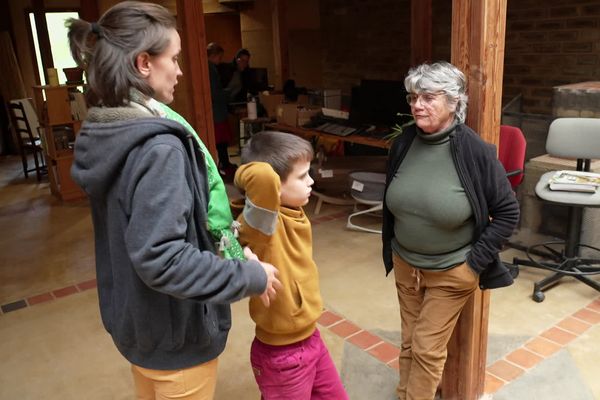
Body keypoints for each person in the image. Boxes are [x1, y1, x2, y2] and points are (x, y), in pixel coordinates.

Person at [66, 3, 281, 399]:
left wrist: (232, 252)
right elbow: (162, 258)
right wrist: (248, 277)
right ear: (143, 62)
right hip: (176, 338)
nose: (181, 70)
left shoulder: (108, 127)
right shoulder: (158, 147)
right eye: (175, 58)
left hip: (140, 327)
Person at [381, 61, 519, 400]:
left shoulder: (475, 151)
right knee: (410, 340)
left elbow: (507, 211)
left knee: (427, 348)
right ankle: (405, 393)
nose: (417, 105)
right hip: (405, 265)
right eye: (413, 97)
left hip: (451, 270)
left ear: (454, 102)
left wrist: (473, 264)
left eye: (428, 97)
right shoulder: (404, 143)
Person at [233, 131, 349, 400]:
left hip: (310, 339)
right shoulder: (264, 223)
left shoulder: (292, 211)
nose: (311, 181)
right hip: (283, 356)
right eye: (301, 176)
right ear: (274, 186)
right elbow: (260, 177)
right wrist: (245, 172)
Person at [207, 42, 236, 180]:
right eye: (219, 57)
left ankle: (225, 164)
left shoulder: (210, 68)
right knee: (221, 142)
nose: (220, 60)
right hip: (216, 111)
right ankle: (225, 166)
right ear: (213, 56)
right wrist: (228, 92)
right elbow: (215, 93)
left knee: (221, 142)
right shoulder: (210, 69)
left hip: (216, 110)